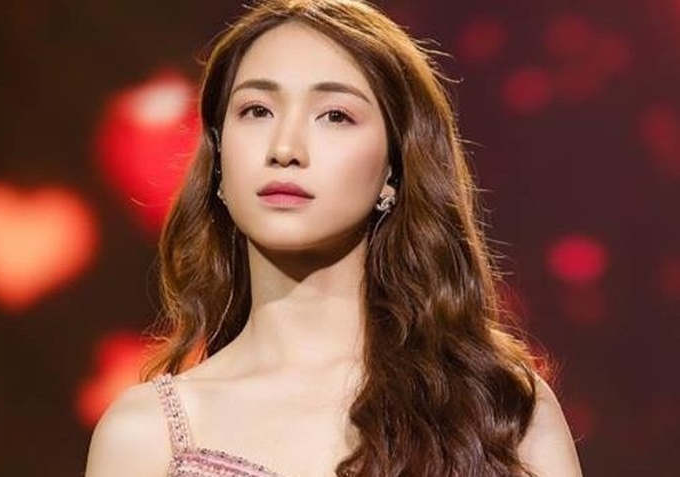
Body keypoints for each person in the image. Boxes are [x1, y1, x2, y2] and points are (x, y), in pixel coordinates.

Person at [85, 0, 582, 475]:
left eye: (335, 115)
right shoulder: (145, 437)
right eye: (256, 110)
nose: (285, 148)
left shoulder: (501, 412)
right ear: (217, 159)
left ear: (394, 167)